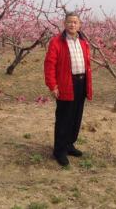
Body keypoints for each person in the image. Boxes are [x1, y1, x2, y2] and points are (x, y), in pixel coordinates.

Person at [44, 11, 93, 166]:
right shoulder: (57, 42)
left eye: (75, 22)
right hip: (66, 83)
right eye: (70, 22)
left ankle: (69, 144)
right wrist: (53, 85)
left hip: (81, 82)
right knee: (64, 118)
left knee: (76, 116)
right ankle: (59, 150)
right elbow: (49, 65)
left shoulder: (83, 42)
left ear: (79, 25)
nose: (72, 24)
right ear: (64, 24)